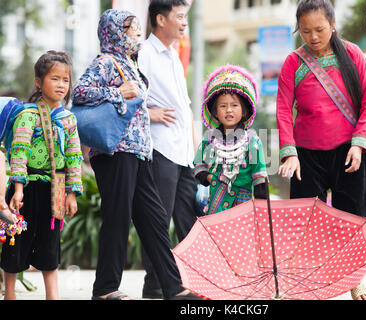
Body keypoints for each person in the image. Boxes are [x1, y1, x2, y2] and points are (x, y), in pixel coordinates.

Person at [72, 9, 200, 300]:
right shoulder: (105, 62)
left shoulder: (129, 63)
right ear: (115, 32)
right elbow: (79, 92)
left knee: (154, 219)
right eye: (131, 29)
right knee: (118, 216)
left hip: (139, 153)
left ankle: (173, 286)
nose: (137, 34)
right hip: (115, 151)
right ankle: (105, 289)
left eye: (137, 29)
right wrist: (119, 93)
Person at [276, 0, 366, 300]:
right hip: (306, 155)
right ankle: (302, 283)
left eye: (320, 29)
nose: (313, 37)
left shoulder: (353, 55)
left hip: (349, 151)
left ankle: (354, 280)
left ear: (333, 25)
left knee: (353, 217)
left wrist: (359, 145)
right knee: (305, 222)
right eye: (305, 31)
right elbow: (283, 109)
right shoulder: (293, 62)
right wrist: (289, 152)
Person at [1, 51, 83, 300]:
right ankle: (11, 293)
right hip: (25, 188)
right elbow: (19, 152)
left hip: (55, 189)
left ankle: (52, 295)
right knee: (16, 240)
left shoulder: (68, 120)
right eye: (54, 79)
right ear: (39, 82)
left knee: (50, 242)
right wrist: (17, 189)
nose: (61, 85)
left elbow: (74, 157)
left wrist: (71, 193)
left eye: (65, 80)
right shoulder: (28, 115)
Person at [137, 0, 198, 299]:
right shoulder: (144, 53)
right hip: (160, 149)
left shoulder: (174, 54)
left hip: (183, 152)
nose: (185, 22)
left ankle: (190, 280)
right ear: (161, 19)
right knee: (158, 220)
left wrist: (194, 146)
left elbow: (183, 105)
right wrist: (150, 113)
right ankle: (155, 283)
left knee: (187, 218)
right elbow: (129, 96)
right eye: (180, 17)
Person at [194, 65, 268, 215]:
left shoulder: (252, 141)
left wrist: (263, 212)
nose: (229, 110)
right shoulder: (209, 140)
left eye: (234, 105)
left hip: (243, 211)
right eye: (223, 106)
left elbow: (260, 178)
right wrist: (210, 178)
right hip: (215, 209)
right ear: (215, 111)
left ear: (244, 110)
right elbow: (198, 167)